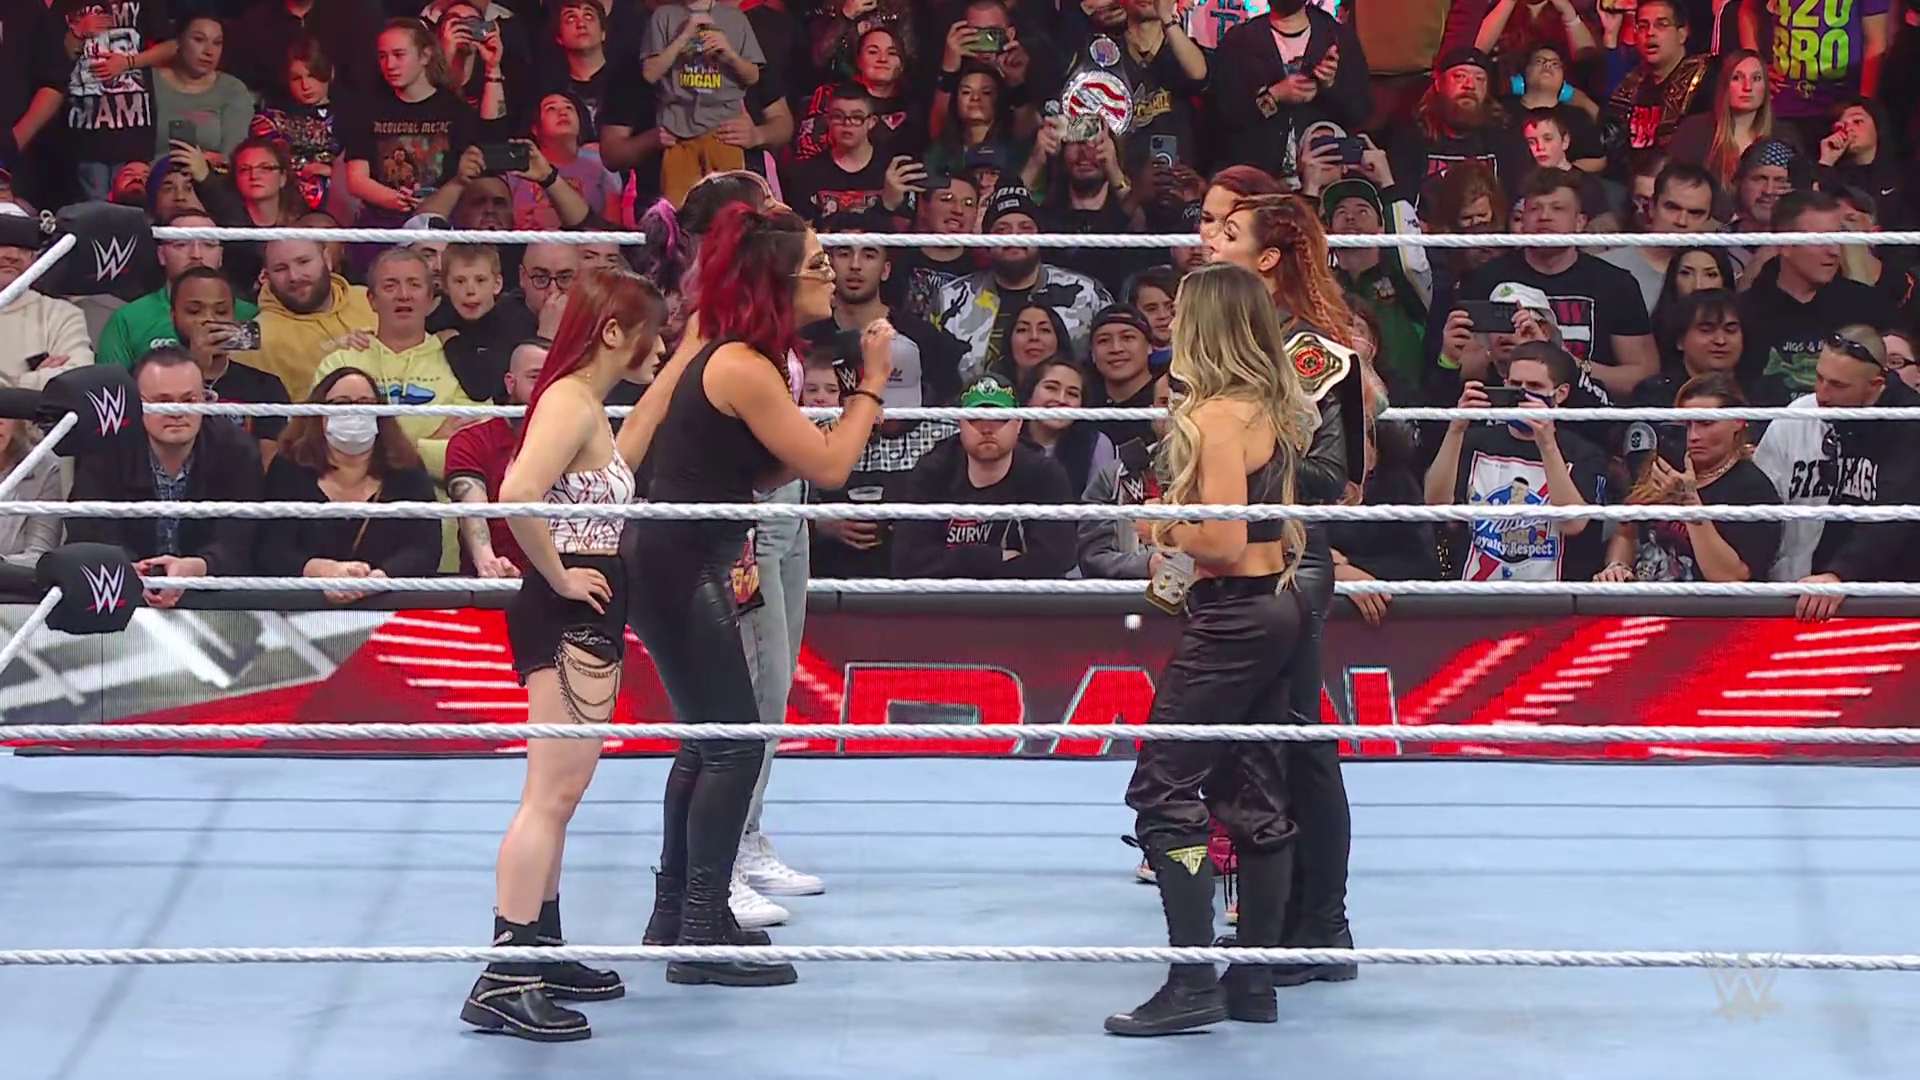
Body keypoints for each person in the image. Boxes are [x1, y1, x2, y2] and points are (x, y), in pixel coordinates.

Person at [617, 203, 892, 988]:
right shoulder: (740, 363)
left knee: (708, 742)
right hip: (680, 565)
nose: (832, 277)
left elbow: (759, 467)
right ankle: (701, 931)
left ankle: (676, 912)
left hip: (682, 558)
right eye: (817, 265)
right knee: (733, 745)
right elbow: (831, 468)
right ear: (778, 278)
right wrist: (872, 385)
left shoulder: (746, 359)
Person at [1104, 262, 1317, 1037]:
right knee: (1254, 796)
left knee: (1162, 793)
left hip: (1233, 615)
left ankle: (1193, 978)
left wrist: (1161, 526)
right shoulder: (1275, 406)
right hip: (1275, 605)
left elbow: (1222, 540)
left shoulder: (1216, 417)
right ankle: (1252, 981)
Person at [459, 268, 669, 1042]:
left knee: (562, 792)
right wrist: (557, 575)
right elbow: (518, 491)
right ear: (614, 331)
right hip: (568, 605)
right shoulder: (569, 402)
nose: (659, 346)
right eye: (652, 333)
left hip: (587, 602)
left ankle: (540, 948)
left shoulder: (587, 404)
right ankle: (504, 975)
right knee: (548, 795)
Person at [1200, 189, 1364, 986]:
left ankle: (1320, 925)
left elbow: (1337, 476)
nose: (1207, 239)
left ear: (1267, 258)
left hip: (1291, 560)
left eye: (1226, 231)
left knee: (1298, 742)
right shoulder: (1215, 344)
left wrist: (1240, 457)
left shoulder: (1312, 356)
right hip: (1228, 558)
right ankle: (1287, 924)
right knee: (1252, 745)